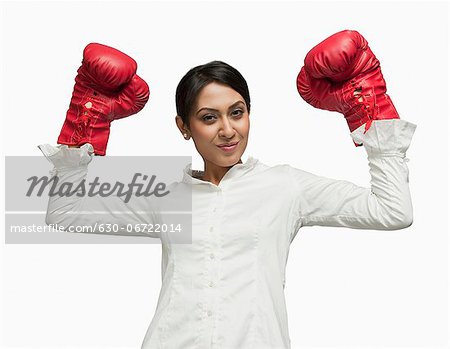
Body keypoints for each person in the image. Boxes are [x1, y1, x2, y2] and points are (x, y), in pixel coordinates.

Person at [39, 30, 416, 348]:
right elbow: (65, 213)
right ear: (183, 127)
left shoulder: (285, 186)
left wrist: (371, 109)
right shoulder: (167, 199)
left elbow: (392, 211)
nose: (228, 130)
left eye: (237, 112)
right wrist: (84, 120)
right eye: (208, 118)